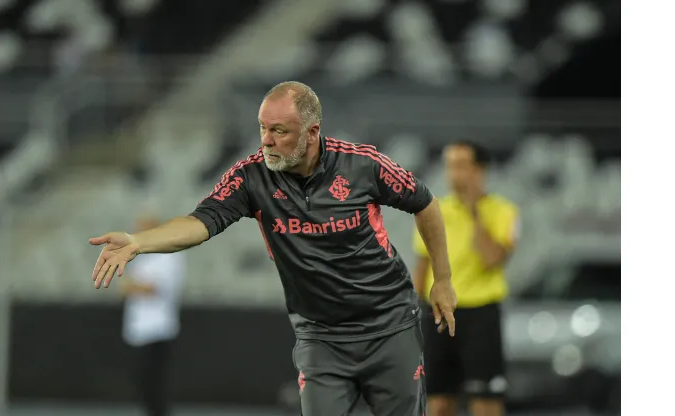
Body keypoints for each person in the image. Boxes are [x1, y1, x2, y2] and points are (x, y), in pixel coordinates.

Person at [90, 81, 457, 416]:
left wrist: (442, 278)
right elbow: (200, 223)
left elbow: (425, 203)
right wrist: (140, 241)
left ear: (312, 133)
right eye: (263, 128)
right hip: (321, 336)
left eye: (279, 131)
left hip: (388, 324)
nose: (266, 140)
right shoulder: (251, 178)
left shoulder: (362, 165)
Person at [412, 141, 520, 416]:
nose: (453, 174)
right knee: (437, 402)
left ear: (479, 170)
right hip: (437, 314)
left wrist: (474, 212)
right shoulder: (433, 210)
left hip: (481, 314)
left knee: (486, 402)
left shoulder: (503, 211)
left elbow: (492, 258)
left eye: (461, 166)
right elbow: (422, 265)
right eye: (450, 166)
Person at [120, 211, 186, 416]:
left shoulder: (170, 254)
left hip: (158, 329)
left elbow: (154, 288)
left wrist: (134, 287)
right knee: (143, 384)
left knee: (155, 384)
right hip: (139, 329)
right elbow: (126, 286)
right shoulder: (141, 255)